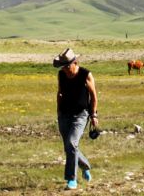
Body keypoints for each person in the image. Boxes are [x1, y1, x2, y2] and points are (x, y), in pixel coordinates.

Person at [53, 48, 98, 191]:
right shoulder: (61, 75)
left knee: (72, 143)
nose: (65, 69)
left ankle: (71, 179)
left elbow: (93, 96)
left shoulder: (86, 75)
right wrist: (58, 112)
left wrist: (93, 115)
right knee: (69, 147)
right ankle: (85, 166)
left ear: (75, 63)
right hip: (64, 114)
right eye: (63, 67)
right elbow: (59, 93)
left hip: (80, 115)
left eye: (67, 66)